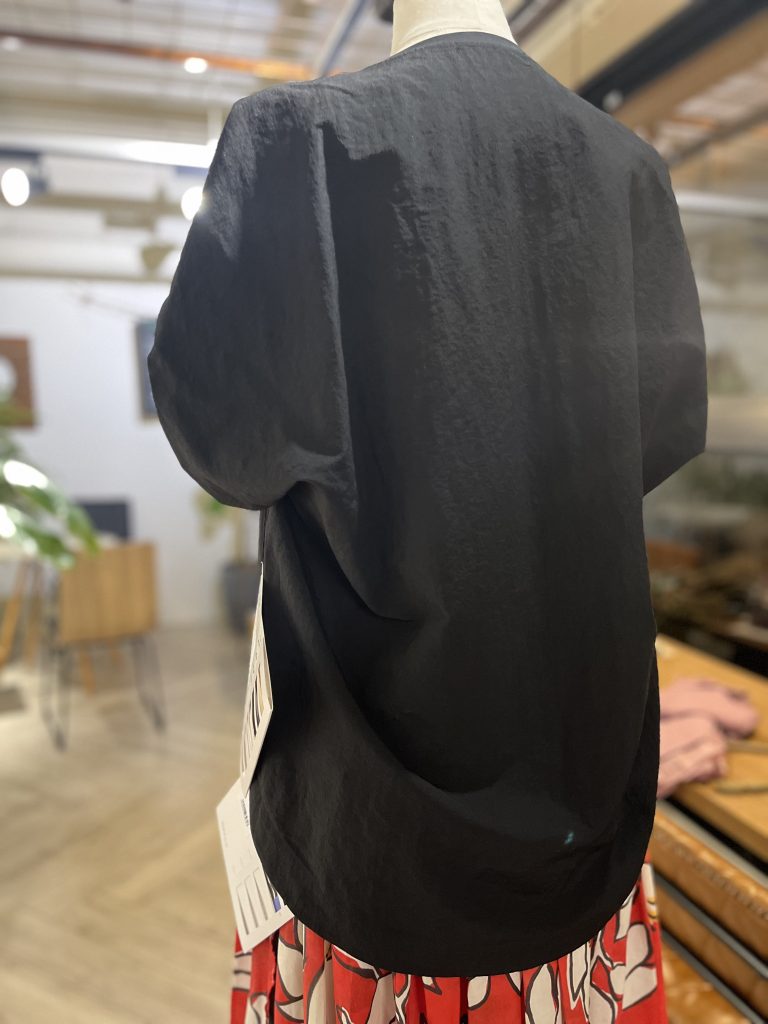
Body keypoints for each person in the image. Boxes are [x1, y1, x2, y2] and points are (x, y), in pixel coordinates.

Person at [148, 1, 707, 1020]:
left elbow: (227, 443)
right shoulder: (629, 172)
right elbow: (663, 433)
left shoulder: (291, 142)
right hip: (579, 789)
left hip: (358, 811)